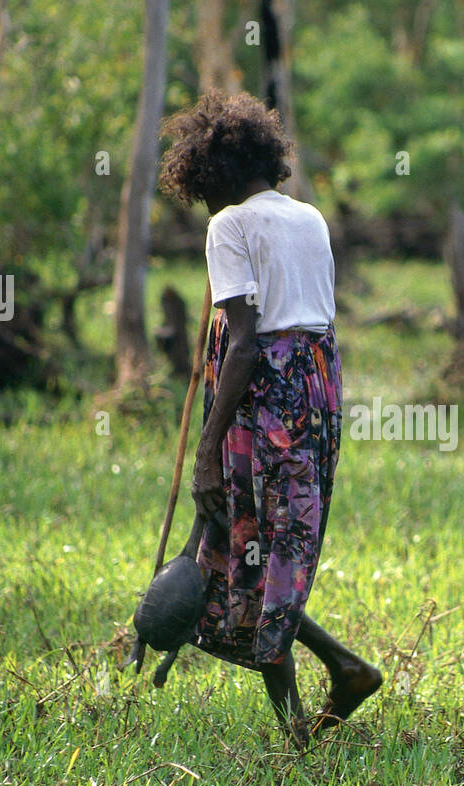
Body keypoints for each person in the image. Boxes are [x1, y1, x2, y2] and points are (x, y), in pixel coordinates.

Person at [158, 90, 380, 745]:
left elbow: (249, 338)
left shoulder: (228, 226)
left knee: (252, 551)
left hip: (264, 400)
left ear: (210, 174)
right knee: (268, 554)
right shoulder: (310, 217)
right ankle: (300, 719)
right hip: (317, 393)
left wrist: (207, 448)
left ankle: (344, 670)